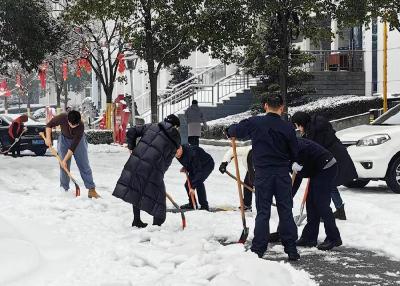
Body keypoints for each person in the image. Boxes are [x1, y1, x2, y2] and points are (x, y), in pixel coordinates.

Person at [226, 93, 300, 261]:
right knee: (286, 211)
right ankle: (291, 249)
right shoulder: (288, 127)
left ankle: (258, 249)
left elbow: (236, 130)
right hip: (282, 175)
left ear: (265, 106)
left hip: (263, 174)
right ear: (282, 108)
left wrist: (229, 130)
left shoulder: (255, 122)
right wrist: (294, 162)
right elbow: (295, 151)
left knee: (263, 212)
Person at [113, 114, 181, 228]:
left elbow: (132, 131)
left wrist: (132, 147)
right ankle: (156, 224)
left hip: (136, 163)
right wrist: (160, 173)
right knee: (159, 197)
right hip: (154, 170)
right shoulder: (176, 140)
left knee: (136, 189)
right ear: (175, 126)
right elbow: (167, 162)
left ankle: (136, 220)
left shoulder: (152, 126)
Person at [291, 112, 357, 220]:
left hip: (334, 158)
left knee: (327, 184)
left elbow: (313, 151)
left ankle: (325, 212)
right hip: (333, 156)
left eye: (297, 125)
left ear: (301, 123)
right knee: (330, 184)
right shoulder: (314, 126)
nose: (297, 128)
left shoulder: (315, 131)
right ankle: (339, 210)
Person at [292, 138, 342, 251]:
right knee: (311, 202)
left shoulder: (298, 147)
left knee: (321, 204)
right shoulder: (290, 149)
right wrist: (290, 195)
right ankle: (309, 237)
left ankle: (334, 237)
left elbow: (302, 172)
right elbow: (298, 175)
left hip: (327, 167)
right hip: (317, 169)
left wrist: (299, 170)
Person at [44, 110, 100, 198]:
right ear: (68, 120)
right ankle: (64, 189)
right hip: (64, 140)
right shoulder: (62, 117)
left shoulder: (80, 126)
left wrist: (65, 160)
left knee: (84, 165)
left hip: (78, 142)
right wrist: (48, 138)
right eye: (72, 124)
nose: (74, 127)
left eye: (76, 125)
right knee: (64, 167)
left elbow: (72, 148)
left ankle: (91, 189)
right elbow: (49, 125)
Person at [175, 144, 215, 211]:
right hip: (195, 166)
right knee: (188, 185)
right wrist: (186, 168)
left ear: (180, 148)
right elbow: (189, 162)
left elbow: (198, 171)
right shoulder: (177, 153)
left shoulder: (192, 153)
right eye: (174, 154)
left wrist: (193, 188)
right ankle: (192, 204)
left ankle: (204, 206)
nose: (176, 155)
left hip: (206, 164)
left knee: (198, 183)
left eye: (176, 153)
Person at [219, 145, 254, 211]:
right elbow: (232, 151)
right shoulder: (247, 150)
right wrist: (224, 163)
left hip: (267, 170)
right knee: (248, 184)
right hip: (250, 169)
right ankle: (247, 205)